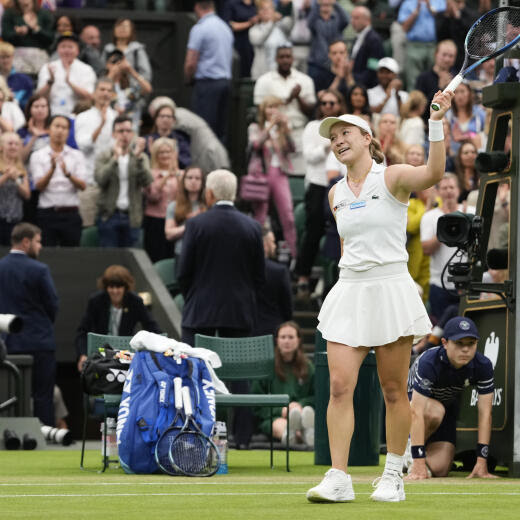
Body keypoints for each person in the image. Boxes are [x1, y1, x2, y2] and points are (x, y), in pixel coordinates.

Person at [306, 88, 454, 503]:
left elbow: (433, 174)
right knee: (338, 385)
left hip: (389, 287)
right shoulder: (334, 195)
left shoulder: (392, 177)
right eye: (332, 136)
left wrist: (436, 122)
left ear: (369, 139)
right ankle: (338, 476)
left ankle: (392, 474)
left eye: (345, 132)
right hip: (350, 288)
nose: (337, 140)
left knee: (392, 390)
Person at [177, 169, 265, 449]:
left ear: (210, 193)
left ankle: (195, 432)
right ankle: (242, 438)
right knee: (240, 376)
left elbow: (183, 271)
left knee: (193, 371)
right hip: (238, 311)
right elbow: (259, 275)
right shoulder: (252, 226)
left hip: (199, 311)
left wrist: (193, 295)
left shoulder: (196, 224)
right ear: (234, 193)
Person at [405, 316, 496, 480]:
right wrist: (418, 462)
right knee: (435, 411)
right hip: (412, 409)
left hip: (445, 409)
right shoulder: (429, 361)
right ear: (445, 343)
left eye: (471, 344)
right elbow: (416, 411)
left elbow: (485, 413)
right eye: (459, 343)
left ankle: (411, 461)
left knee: (440, 469)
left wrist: (482, 461)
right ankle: (408, 452)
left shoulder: (483, 365)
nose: (466, 349)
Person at [0, 222, 59, 426]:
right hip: (40, 342)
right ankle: (46, 439)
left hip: (8, 343)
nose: (40, 246)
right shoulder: (40, 269)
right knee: (43, 395)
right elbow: (52, 304)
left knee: (8, 394)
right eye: (38, 242)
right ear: (26, 242)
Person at [295, 88, 345, 299]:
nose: (328, 107)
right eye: (324, 103)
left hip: (341, 185)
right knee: (313, 230)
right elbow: (309, 157)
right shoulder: (313, 127)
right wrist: (329, 143)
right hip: (317, 184)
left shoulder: (345, 127)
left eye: (332, 103)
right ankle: (303, 276)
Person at [75, 264, 161, 373]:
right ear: (106, 287)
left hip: (126, 356)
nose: (115, 291)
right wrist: (83, 354)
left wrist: (162, 346)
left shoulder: (135, 301)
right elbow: (82, 331)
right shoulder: (96, 301)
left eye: (119, 287)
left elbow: (152, 327)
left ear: (125, 287)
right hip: (100, 356)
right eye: (111, 287)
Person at [247, 95, 297, 257]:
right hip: (260, 174)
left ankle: (294, 254)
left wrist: (285, 130)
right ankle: (258, 253)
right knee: (260, 215)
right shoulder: (255, 127)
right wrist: (269, 128)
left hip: (279, 172)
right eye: (269, 106)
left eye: (276, 107)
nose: (273, 110)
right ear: (263, 109)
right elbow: (256, 144)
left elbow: (292, 148)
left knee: (288, 215)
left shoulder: (282, 127)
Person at [254, 44, 316, 175]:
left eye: (288, 56)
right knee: (274, 175)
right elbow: (259, 110)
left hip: (298, 131)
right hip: (273, 134)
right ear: (276, 59)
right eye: (281, 57)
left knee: (299, 174)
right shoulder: (264, 81)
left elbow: (311, 111)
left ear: (293, 59)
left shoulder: (305, 80)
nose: (285, 60)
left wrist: (298, 97)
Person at [94, 115, 154, 247]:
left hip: (132, 216)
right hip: (109, 216)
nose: (124, 135)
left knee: (131, 260)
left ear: (132, 134)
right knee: (109, 259)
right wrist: (115, 159)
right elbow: (100, 179)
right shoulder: (104, 155)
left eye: (128, 131)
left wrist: (137, 158)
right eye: (121, 131)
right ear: (113, 134)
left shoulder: (140, 156)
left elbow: (147, 181)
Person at [251, 321, 314, 445]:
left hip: (302, 414)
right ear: (277, 340)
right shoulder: (266, 367)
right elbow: (256, 403)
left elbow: (316, 397)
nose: (286, 341)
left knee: (304, 414)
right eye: (283, 337)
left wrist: (300, 404)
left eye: (291, 337)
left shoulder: (308, 367)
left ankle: (303, 432)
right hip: (274, 417)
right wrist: (281, 410)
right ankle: (299, 435)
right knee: (283, 426)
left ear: (299, 340)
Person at [30, 115, 87, 247]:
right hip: (47, 213)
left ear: (68, 132)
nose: (60, 131)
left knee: (72, 256)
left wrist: (67, 174)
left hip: (71, 213)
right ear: (49, 129)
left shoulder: (77, 155)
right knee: (48, 254)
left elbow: (83, 185)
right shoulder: (38, 155)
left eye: (64, 127)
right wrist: (52, 170)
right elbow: (39, 186)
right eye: (57, 126)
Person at [184, 1, 233, 145]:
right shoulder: (225, 27)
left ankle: (206, 165)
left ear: (197, 7)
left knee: (203, 129)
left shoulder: (200, 28)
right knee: (221, 130)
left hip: (207, 84)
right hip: (225, 83)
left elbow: (191, 62)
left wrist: (189, 78)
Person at [74, 77, 118, 228]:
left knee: (109, 230)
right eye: (102, 89)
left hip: (112, 185)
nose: (105, 93)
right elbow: (83, 146)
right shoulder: (82, 117)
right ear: (94, 93)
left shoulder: (118, 119)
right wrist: (102, 124)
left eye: (109, 90)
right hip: (89, 184)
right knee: (87, 229)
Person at [420, 173, 462, 323]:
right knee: (442, 332)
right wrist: (444, 232)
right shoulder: (430, 217)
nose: (449, 191)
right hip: (439, 284)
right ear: (438, 192)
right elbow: (425, 249)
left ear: (458, 190)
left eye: (452, 187)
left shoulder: (470, 211)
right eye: (444, 188)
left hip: (467, 283)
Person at [36, 32, 97, 117]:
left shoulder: (86, 69)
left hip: (78, 115)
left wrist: (69, 82)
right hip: (52, 115)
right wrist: (50, 82)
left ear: (77, 50)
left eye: (70, 47)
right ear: (58, 49)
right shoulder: (47, 67)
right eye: (63, 47)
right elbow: (38, 97)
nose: (66, 50)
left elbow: (89, 97)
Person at [143, 137, 180, 263]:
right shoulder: (151, 174)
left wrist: (177, 175)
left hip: (174, 221)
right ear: (155, 154)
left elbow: (184, 197)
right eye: (161, 152)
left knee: (171, 256)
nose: (165, 155)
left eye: (168, 152)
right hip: (155, 221)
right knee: (155, 256)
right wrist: (165, 178)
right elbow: (153, 196)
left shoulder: (181, 174)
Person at [397, 0, 447, 91]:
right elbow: (404, 28)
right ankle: (414, 103)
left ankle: (434, 102)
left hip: (434, 46)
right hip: (414, 45)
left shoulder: (440, 1)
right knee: (413, 81)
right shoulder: (408, 3)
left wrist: (430, 8)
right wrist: (415, 13)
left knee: (434, 79)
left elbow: (445, 20)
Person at [253, 227, 293, 336]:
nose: (275, 246)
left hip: (245, 330)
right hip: (273, 330)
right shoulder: (279, 271)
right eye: (273, 242)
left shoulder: (241, 269)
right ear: (264, 245)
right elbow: (287, 306)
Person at [104, 48, 153, 132]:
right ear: (107, 64)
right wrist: (111, 73)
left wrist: (131, 70)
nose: (117, 64)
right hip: (109, 126)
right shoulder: (103, 81)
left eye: (119, 61)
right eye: (113, 62)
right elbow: (100, 93)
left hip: (131, 126)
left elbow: (148, 89)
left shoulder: (131, 83)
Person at [1, 0, 55, 75]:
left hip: (39, 55)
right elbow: (5, 36)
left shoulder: (44, 14)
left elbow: (51, 38)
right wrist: (17, 33)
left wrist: (36, 29)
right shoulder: (10, 13)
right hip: (17, 55)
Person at [306, 0, 349, 92]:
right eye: (324, 5)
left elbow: (346, 20)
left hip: (336, 63)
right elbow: (309, 23)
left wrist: (334, 3)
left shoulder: (337, 19)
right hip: (317, 64)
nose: (326, 7)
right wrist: (318, 3)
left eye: (328, 5)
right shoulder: (315, 20)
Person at [164, 165, 206, 258]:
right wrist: (190, 225)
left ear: (203, 182)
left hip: (204, 253)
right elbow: (169, 234)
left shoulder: (208, 206)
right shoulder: (174, 205)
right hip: (182, 252)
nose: (193, 181)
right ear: (184, 181)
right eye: (189, 177)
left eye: (197, 178)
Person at [415, 39, 458, 122]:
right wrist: (440, 88)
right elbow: (419, 108)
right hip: (428, 124)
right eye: (444, 55)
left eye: (451, 56)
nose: (447, 59)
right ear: (436, 54)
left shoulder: (457, 79)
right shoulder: (423, 78)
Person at [249, 0, 292, 80]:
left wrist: (280, 18)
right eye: (262, 9)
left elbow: (291, 23)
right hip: (261, 74)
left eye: (269, 8)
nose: (266, 11)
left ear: (274, 11)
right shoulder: (254, 30)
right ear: (258, 13)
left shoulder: (281, 28)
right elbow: (258, 40)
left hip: (280, 74)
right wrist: (271, 22)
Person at [0, 132, 30, 244]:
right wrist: (6, 176)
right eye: (10, 143)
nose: (13, 147)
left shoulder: (21, 170)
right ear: (2, 146)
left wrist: (16, 180)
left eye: (16, 144)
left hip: (15, 219)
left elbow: (27, 195)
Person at [101, 18, 152, 84]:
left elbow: (146, 76)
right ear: (114, 30)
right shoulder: (108, 49)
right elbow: (100, 74)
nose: (122, 29)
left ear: (132, 30)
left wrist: (129, 69)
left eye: (125, 26)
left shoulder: (137, 49)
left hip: (133, 89)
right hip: (110, 88)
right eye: (119, 26)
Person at [145, 101, 191, 169]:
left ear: (174, 120)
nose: (165, 119)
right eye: (162, 116)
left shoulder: (181, 139)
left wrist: (174, 155)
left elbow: (187, 163)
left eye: (168, 116)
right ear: (155, 119)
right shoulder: (148, 140)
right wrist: (152, 154)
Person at [349, 5, 384, 89]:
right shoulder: (357, 37)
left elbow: (373, 68)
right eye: (352, 18)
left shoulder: (374, 40)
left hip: (366, 87)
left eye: (356, 18)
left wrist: (358, 82)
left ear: (367, 20)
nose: (352, 21)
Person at [445, 82, 486, 155]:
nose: (459, 96)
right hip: (453, 155)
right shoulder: (448, 115)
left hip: (475, 154)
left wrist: (468, 137)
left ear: (469, 93)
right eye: (456, 92)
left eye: (462, 91)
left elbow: (486, 134)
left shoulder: (480, 113)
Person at [222, 0, 258, 78]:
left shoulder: (256, 3)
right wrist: (249, 23)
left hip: (255, 44)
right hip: (238, 45)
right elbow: (229, 25)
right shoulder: (232, 3)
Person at [0, 41, 34, 110]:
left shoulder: (25, 80)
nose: (5, 60)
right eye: (2, 57)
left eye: (8, 57)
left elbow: (29, 105)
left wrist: (14, 100)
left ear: (13, 57)